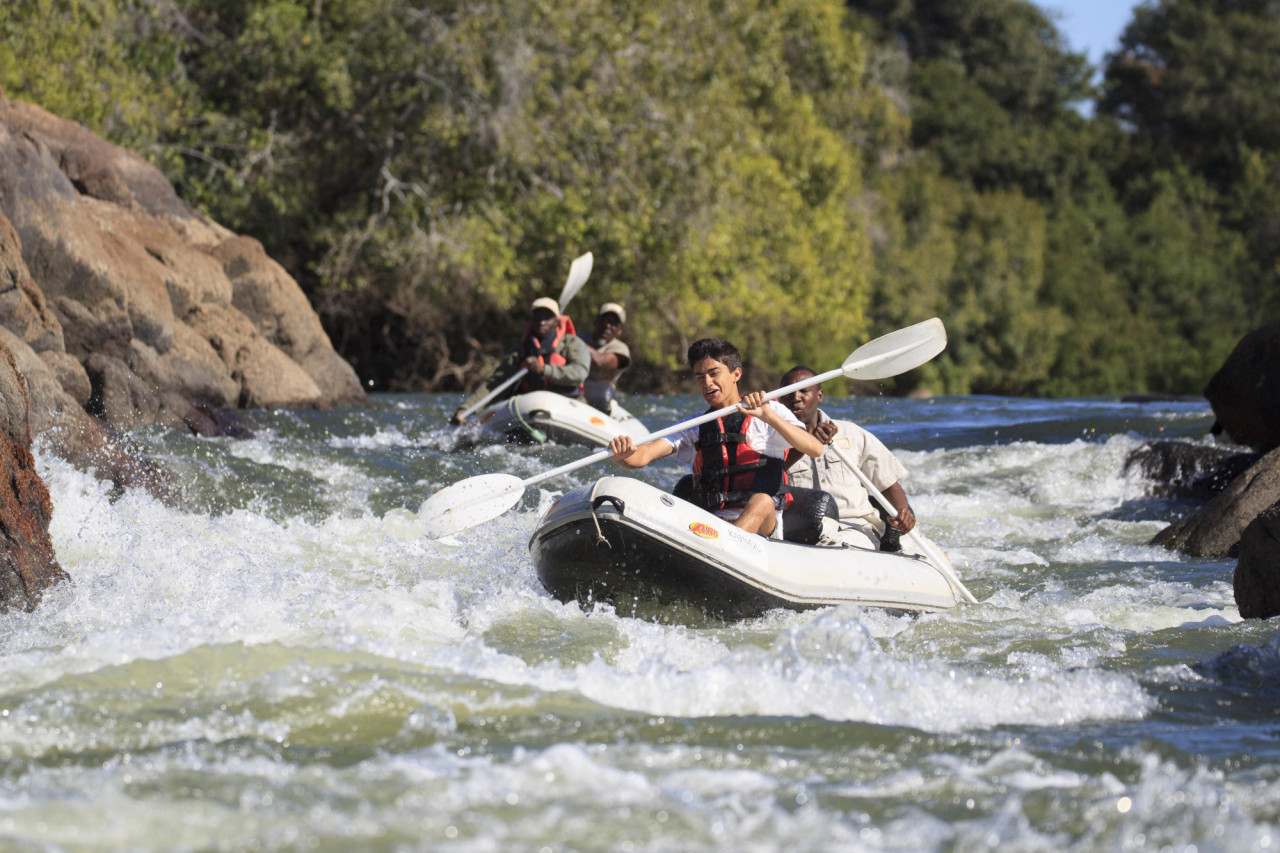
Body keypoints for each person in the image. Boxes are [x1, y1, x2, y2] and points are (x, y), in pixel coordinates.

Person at [607, 339, 823, 538]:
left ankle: (730, 544)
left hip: (762, 528)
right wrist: (624, 455)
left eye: (713, 373)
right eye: (700, 377)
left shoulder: (769, 411)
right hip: (709, 525)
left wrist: (769, 417)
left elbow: (814, 448)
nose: (707, 382)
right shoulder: (694, 425)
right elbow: (643, 456)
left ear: (736, 374)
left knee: (762, 501)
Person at [778, 365, 917, 551]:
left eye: (804, 391)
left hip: (855, 528)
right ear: (779, 400)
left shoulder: (853, 434)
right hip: (799, 531)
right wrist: (808, 444)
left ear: (819, 396)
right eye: (788, 393)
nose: (796, 398)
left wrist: (903, 512)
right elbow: (768, 479)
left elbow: (888, 483)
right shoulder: (771, 442)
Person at [450, 297, 591, 425]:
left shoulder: (572, 344)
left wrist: (543, 369)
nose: (542, 322)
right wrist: (467, 408)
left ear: (556, 321)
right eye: (537, 318)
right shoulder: (520, 351)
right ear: (531, 321)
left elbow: (579, 373)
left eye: (547, 318)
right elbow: (495, 384)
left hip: (568, 402)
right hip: (529, 407)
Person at [579, 302, 631, 413]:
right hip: (575, 388)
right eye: (605, 321)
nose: (608, 326)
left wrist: (577, 344)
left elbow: (601, 361)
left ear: (620, 330)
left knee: (603, 394)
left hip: (601, 397)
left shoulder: (621, 348)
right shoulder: (579, 337)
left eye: (614, 324)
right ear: (596, 321)